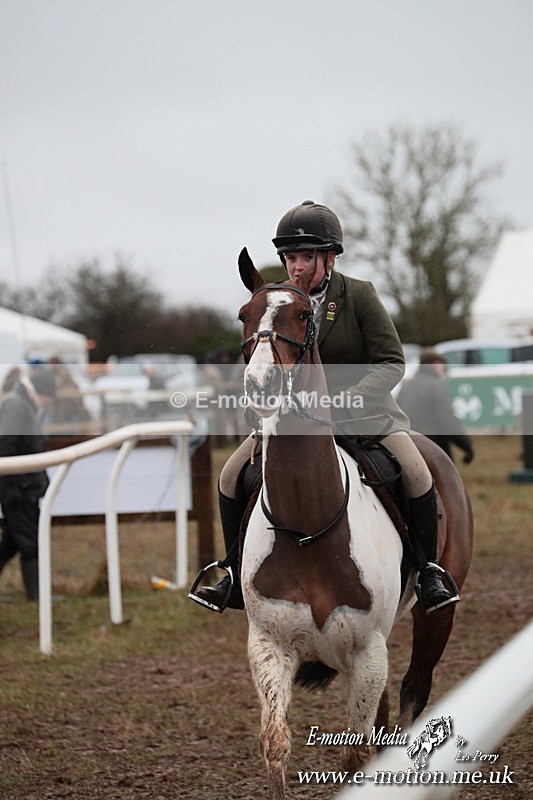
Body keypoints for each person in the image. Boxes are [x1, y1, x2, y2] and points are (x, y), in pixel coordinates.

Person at [193, 200, 460, 615]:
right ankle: (231, 574)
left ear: (329, 257)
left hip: (364, 417)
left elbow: (391, 362)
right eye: (290, 257)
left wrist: (342, 398)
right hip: (289, 423)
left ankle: (426, 572)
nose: (296, 267)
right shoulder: (276, 302)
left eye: (306, 257)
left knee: (418, 471)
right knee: (230, 476)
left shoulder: (358, 295)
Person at [0, 367, 56, 600]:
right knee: (31, 541)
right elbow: (5, 446)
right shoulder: (17, 406)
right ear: (43, 393)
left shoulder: (22, 404)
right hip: (18, 490)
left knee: (12, 543)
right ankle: (38, 595)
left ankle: (37, 593)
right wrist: (16, 486)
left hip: (21, 488)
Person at [397, 349, 475, 464]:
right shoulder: (437, 387)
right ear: (435, 364)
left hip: (408, 445)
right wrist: (466, 446)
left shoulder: (406, 386)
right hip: (433, 447)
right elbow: (448, 423)